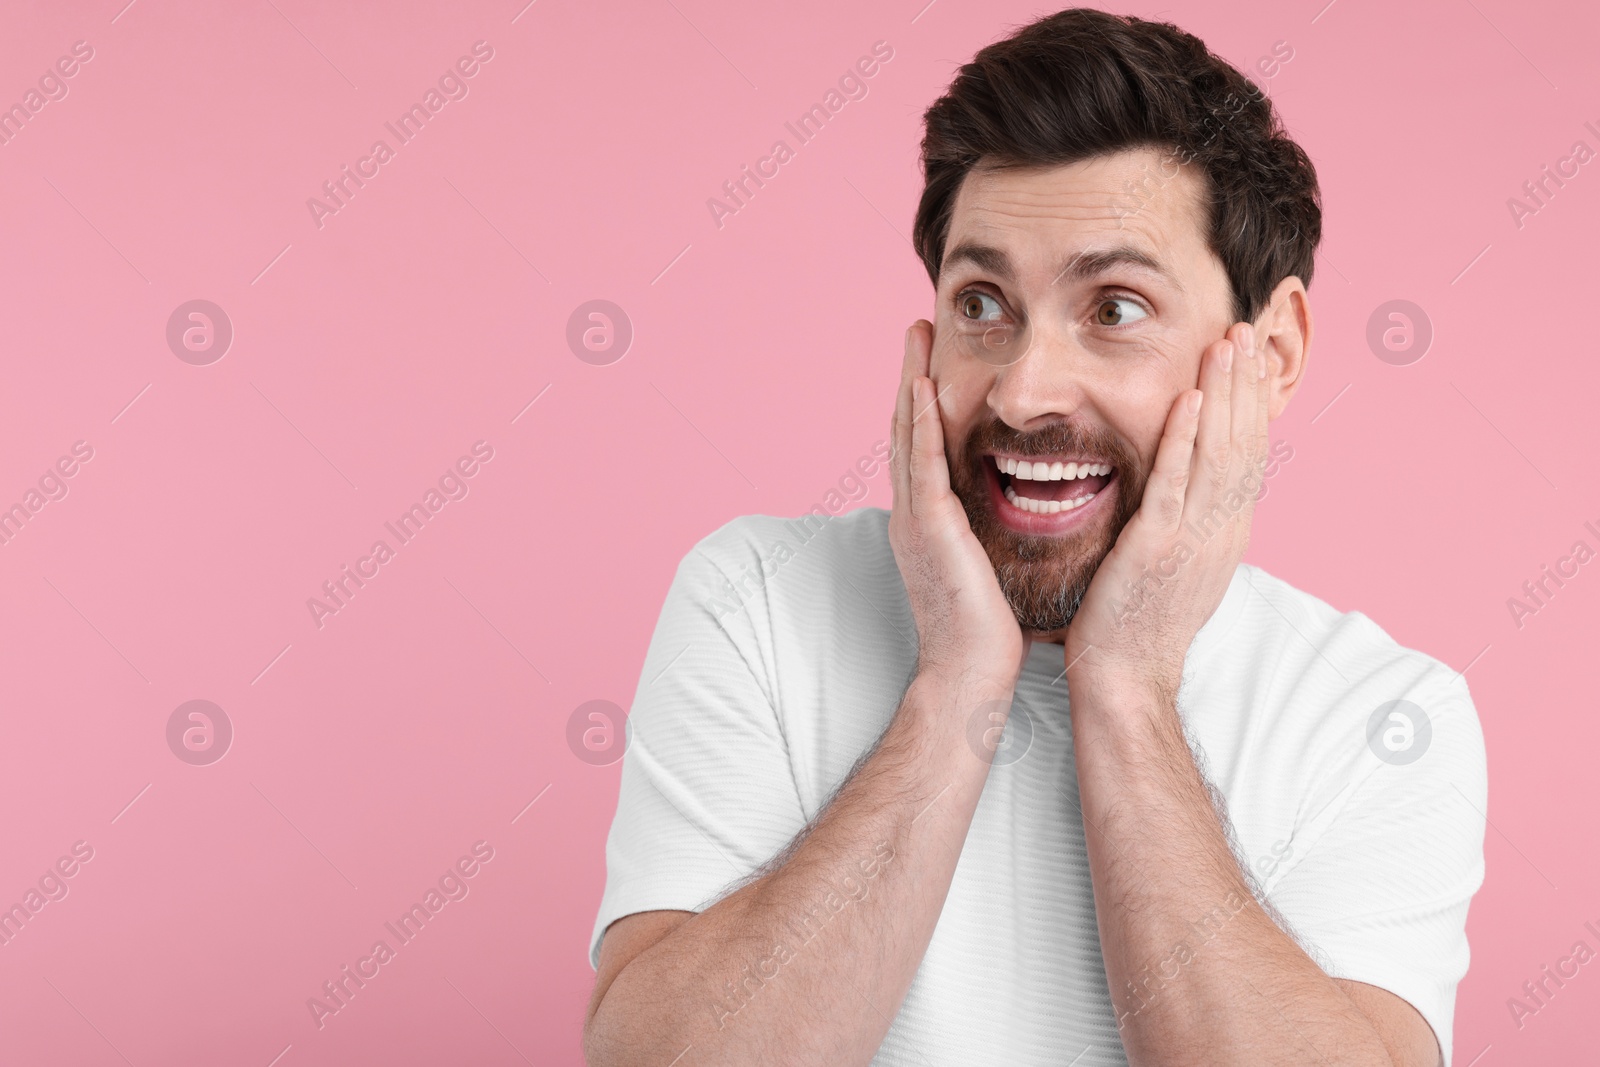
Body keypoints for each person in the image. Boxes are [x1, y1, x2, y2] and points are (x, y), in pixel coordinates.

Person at [583, 8, 1486, 1065]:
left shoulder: (1380, 714)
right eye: (981, 302)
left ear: (1270, 351)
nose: (1021, 391)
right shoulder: (759, 598)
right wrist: (959, 680)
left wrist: (1126, 685)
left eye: (1113, 308)